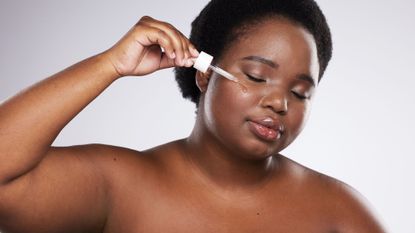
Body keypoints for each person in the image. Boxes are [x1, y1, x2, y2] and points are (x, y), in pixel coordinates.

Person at [0, 0, 386, 232]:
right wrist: (109, 65)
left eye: (300, 92)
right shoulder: (120, 186)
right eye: (256, 76)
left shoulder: (340, 214)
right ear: (204, 73)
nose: (280, 103)